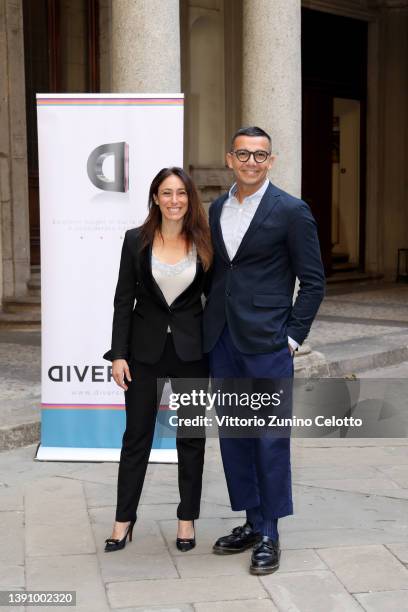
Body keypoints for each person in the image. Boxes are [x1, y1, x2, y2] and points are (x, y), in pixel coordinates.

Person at [203, 126, 325, 574]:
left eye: (260, 156)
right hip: (223, 341)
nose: (251, 162)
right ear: (230, 159)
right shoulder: (216, 208)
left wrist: (291, 337)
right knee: (235, 436)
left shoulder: (292, 211)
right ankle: (252, 521)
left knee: (269, 439)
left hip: (268, 343)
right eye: (243, 154)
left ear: (270, 161)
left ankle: (271, 532)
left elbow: (313, 282)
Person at [103, 167, 212, 553]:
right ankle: (123, 520)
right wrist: (118, 354)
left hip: (192, 352)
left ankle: (187, 519)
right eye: (166, 193)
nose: (174, 200)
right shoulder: (136, 241)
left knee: (192, 438)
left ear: (189, 198)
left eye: (181, 193)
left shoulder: (204, 241)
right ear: (155, 198)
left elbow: (214, 299)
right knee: (136, 439)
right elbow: (122, 300)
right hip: (144, 353)